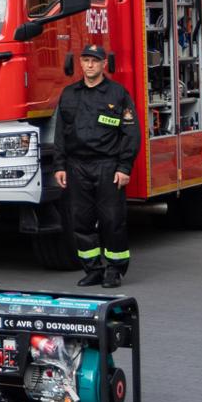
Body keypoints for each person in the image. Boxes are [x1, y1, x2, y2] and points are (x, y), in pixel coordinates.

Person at [54, 45, 140, 288]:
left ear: (104, 64)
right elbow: (60, 133)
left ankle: (114, 270)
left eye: (95, 61)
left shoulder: (117, 94)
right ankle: (93, 269)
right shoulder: (69, 94)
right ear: (80, 64)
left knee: (112, 220)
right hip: (76, 166)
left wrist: (124, 167)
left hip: (107, 166)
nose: (89, 65)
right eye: (85, 60)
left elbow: (131, 133)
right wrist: (60, 165)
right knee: (81, 221)